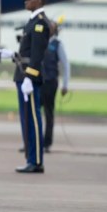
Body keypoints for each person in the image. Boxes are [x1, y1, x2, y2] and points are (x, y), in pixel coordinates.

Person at [0, 0, 51, 173]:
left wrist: (30, 77)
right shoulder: (32, 21)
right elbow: (27, 52)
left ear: (39, 0)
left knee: (33, 120)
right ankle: (30, 159)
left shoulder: (40, 23)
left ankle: (36, 162)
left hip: (29, 78)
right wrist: (10, 54)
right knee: (26, 120)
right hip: (23, 75)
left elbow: (37, 55)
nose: (26, 1)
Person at [40, 20, 70, 152]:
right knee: (34, 112)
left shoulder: (57, 45)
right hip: (38, 81)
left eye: (51, 27)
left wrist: (65, 85)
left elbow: (65, 65)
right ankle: (33, 141)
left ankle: (47, 143)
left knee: (49, 113)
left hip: (51, 82)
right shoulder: (40, 42)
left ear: (54, 30)